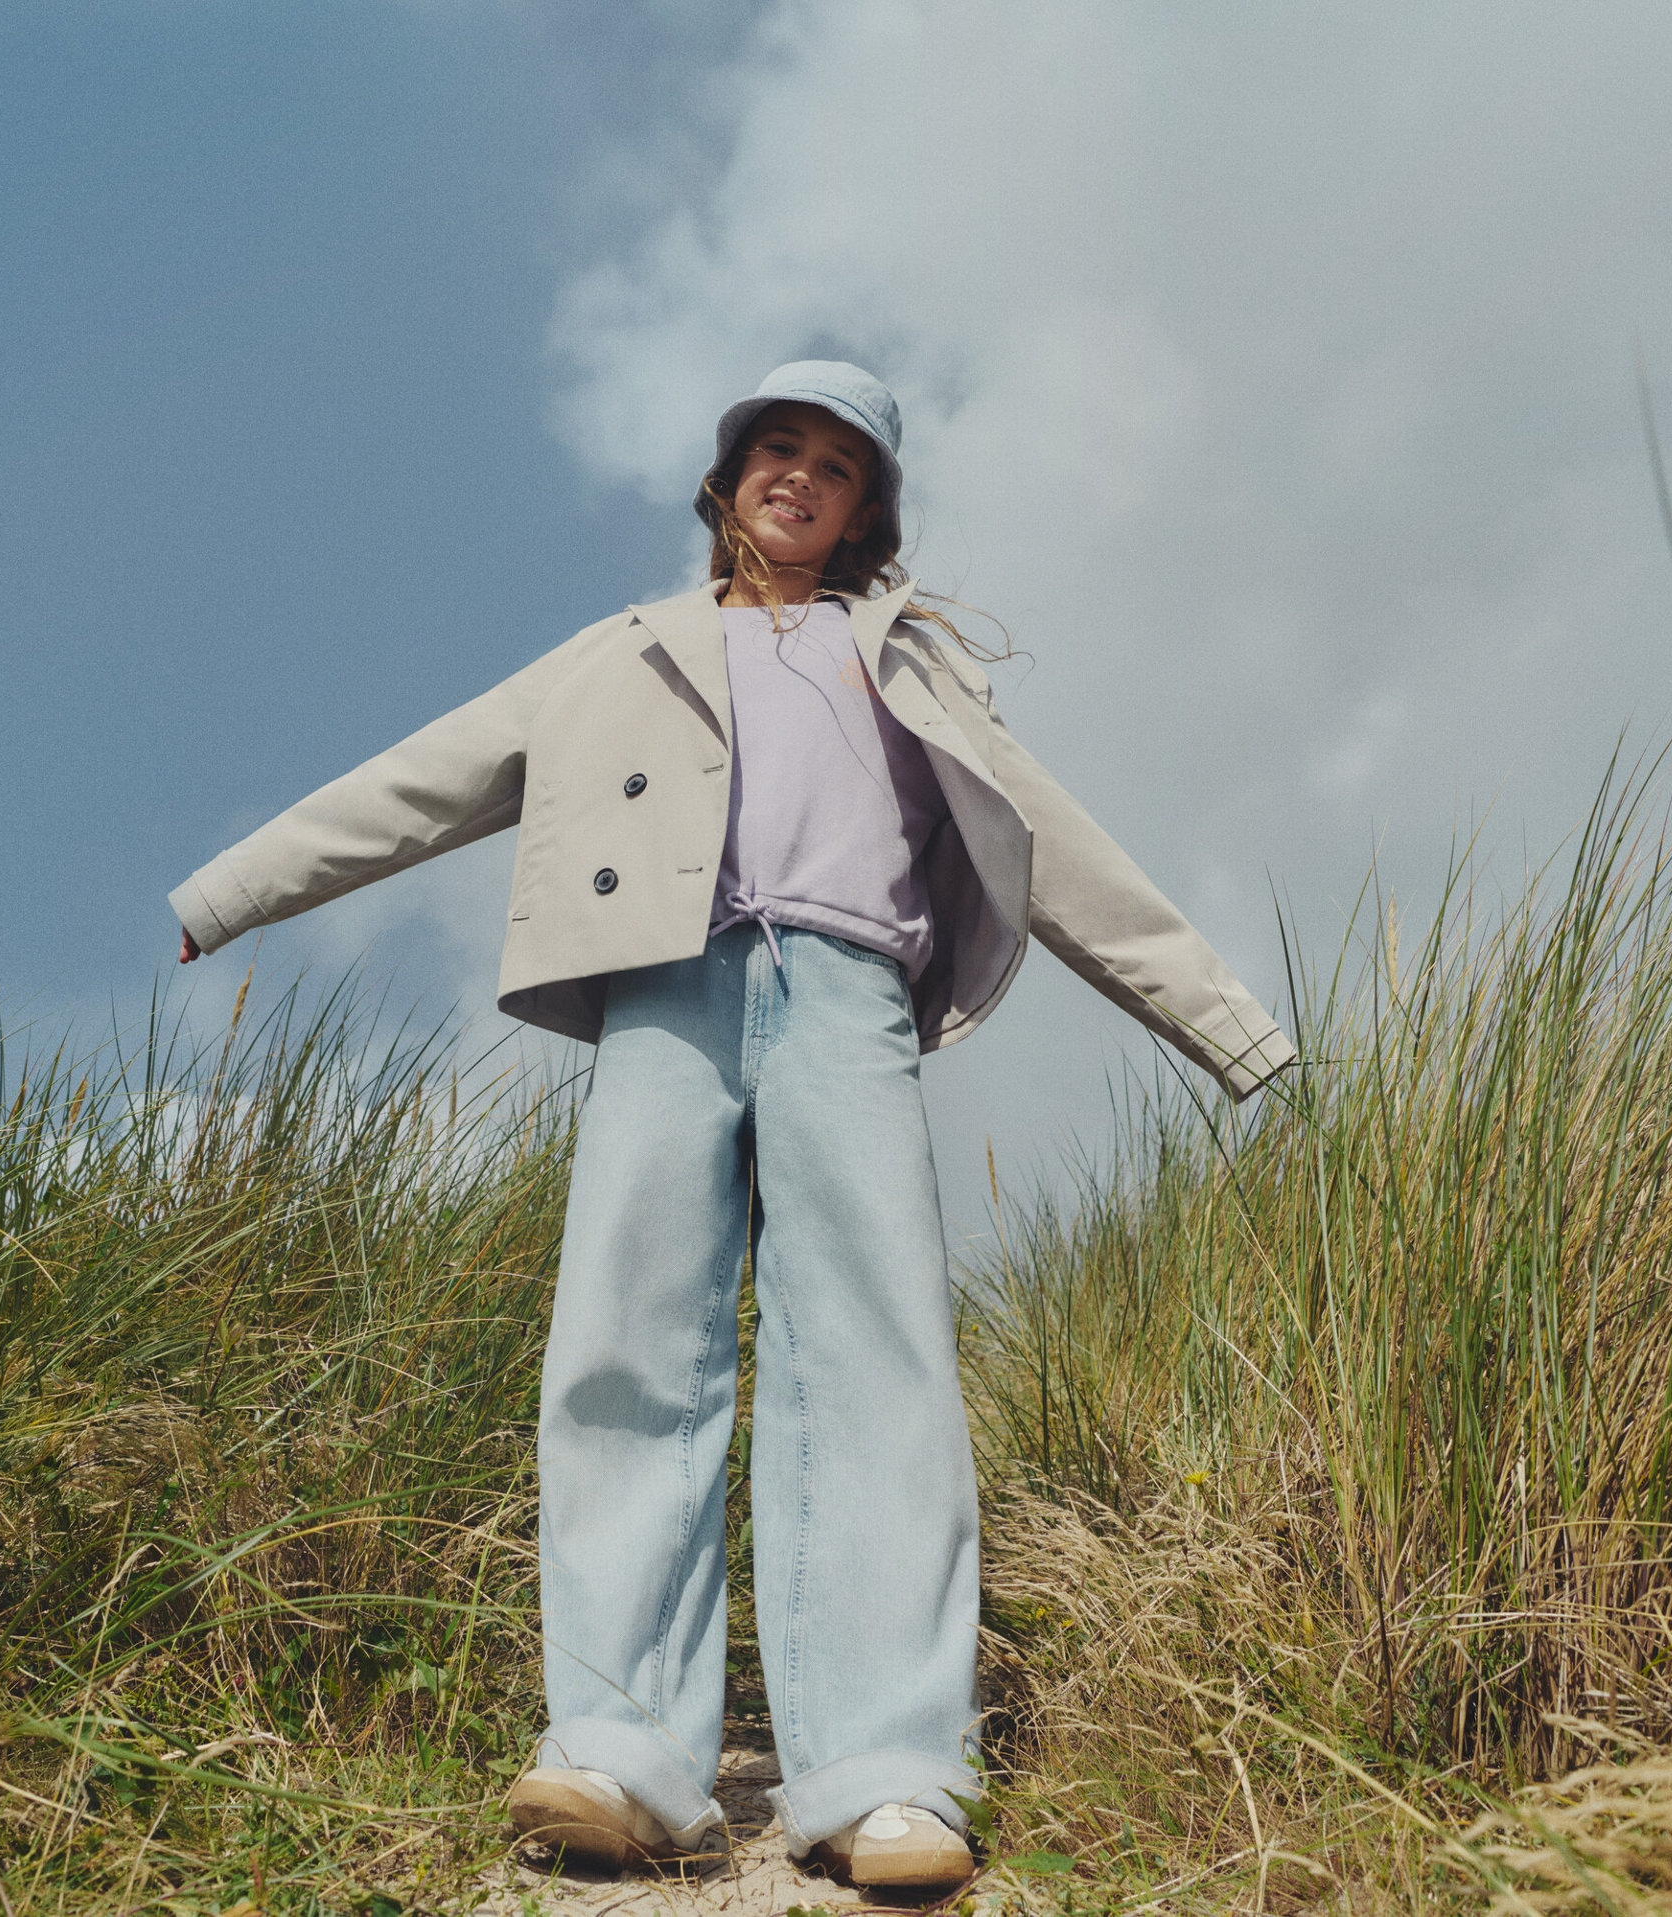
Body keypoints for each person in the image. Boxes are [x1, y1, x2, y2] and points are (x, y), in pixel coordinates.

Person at [170, 361, 1295, 1891]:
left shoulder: (904, 664)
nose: (800, 477)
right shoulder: (622, 649)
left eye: (836, 466)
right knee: (629, 1346)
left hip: (848, 1001)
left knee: (877, 1356)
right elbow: (417, 781)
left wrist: (1223, 1027)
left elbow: (1062, 850)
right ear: (727, 479)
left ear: (862, 514)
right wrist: (224, 894)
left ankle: (890, 1773)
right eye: (778, 448)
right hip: (662, 994)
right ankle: (619, 1753)